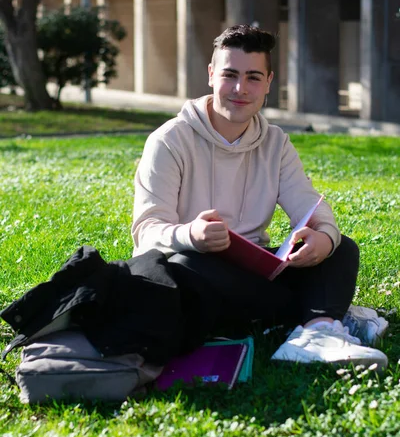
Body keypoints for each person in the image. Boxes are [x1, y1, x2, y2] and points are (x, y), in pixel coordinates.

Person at [132, 24, 388, 369]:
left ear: (269, 82)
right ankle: (323, 317)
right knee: (187, 266)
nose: (240, 89)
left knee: (341, 248)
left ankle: (315, 332)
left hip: (255, 275)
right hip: (193, 270)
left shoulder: (276, 143)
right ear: (211, 75)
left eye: (253, 77)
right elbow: (146, 231)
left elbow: (309, 205)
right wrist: (190, 234)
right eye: (230, 75)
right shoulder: (169, 141)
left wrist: (322, 238)